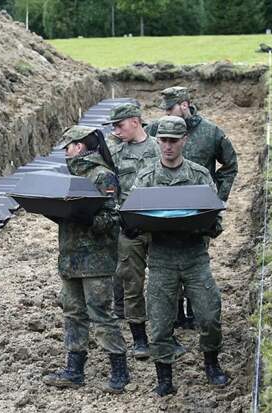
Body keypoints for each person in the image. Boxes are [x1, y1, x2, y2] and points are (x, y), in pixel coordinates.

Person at [133, 116, 228, 396]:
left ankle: (212, 363)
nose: (168, 146)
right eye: (163, 140)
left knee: (209, 315)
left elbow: (215, 219)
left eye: (174, 140)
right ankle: (164, 376)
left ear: (185, 140)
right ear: (157, 140)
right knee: (161, 323)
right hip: (161, 258)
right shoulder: (147, 177)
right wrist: (132, 226)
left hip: (194, 256)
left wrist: (206, 223)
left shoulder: (199, 175)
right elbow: (135, 213)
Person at [42, 125, 129, 393]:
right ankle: (74, 370)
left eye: (67, 147)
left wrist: (89, 218)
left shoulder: (103, 177)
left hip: (97, 261)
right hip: (70, 259)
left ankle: (119, 370)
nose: (65, 154)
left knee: (100, 313)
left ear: (80, 146)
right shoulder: (68, 177)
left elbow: (115, 218)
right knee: (73, 313)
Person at [146, 86, 238, 329]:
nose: (166, 114)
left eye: (170, 108)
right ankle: (175, 313)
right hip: (163, 210)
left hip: (196, 213)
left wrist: (215, 199)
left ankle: (194, 310)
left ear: (184, 105)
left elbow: (229, 164)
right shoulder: (158, 129)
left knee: (194, 260)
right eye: (164, 110)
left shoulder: (210, 132)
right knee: (165, 263)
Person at [103, 103, 160, 360]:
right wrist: (120, 217)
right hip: (129, 228)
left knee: (163, 283)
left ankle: (165, 332)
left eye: (120, 125)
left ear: (135, 121)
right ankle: (139, 338)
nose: (116, 130)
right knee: (131, 282)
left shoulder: (159, 148)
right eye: (113, 126)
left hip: (160, 226)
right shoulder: (114, 151)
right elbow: (108, 187)